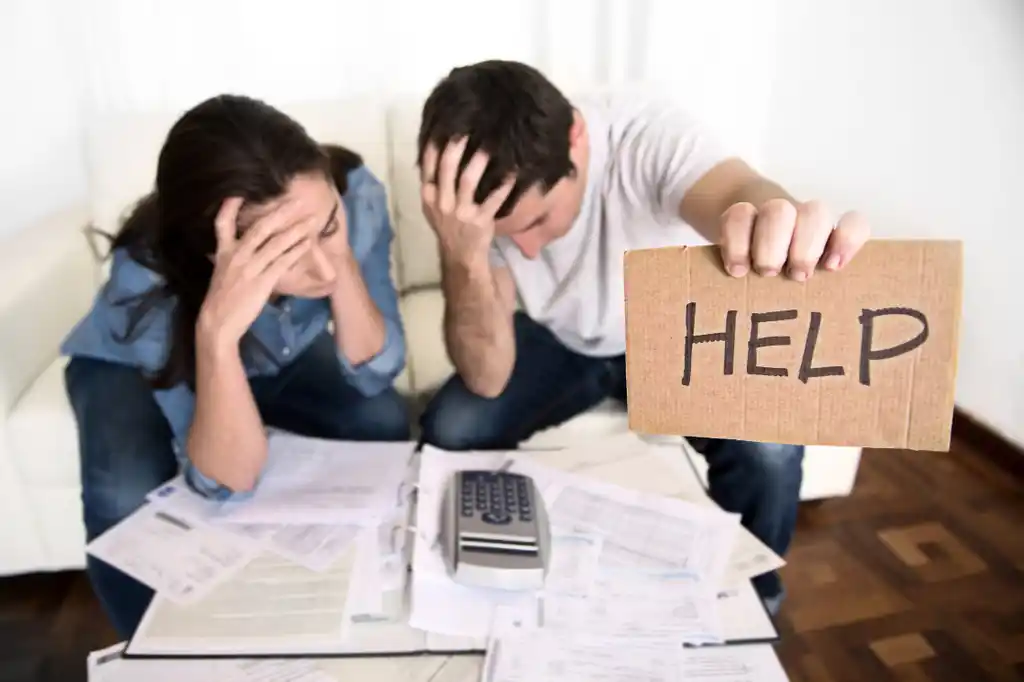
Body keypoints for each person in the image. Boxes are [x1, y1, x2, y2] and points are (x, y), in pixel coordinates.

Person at [415, 60, 870, 613]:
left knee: (769, 447)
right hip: (558, 338)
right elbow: (487, 380)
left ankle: (755, 596)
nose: (529, 251)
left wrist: (775, 222)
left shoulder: (644, 134)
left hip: (672, 328)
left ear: (577, 139)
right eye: (508, 238)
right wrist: (464, 255)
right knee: (451, 424)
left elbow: (737, 192)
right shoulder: (467, 212)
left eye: (538, 222)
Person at [62, 94, 409, 637]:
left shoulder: (354, 196)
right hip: (128, 362)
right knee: (122, 492)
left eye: (323, 227)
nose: (320, 270)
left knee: (381, 420)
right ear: (218, 252)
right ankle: (146, 652)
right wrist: (217, 336)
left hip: (276, 348)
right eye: (284, 253)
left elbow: (376, 369)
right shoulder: (147, 283)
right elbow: (224, 482)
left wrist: (339, 255)